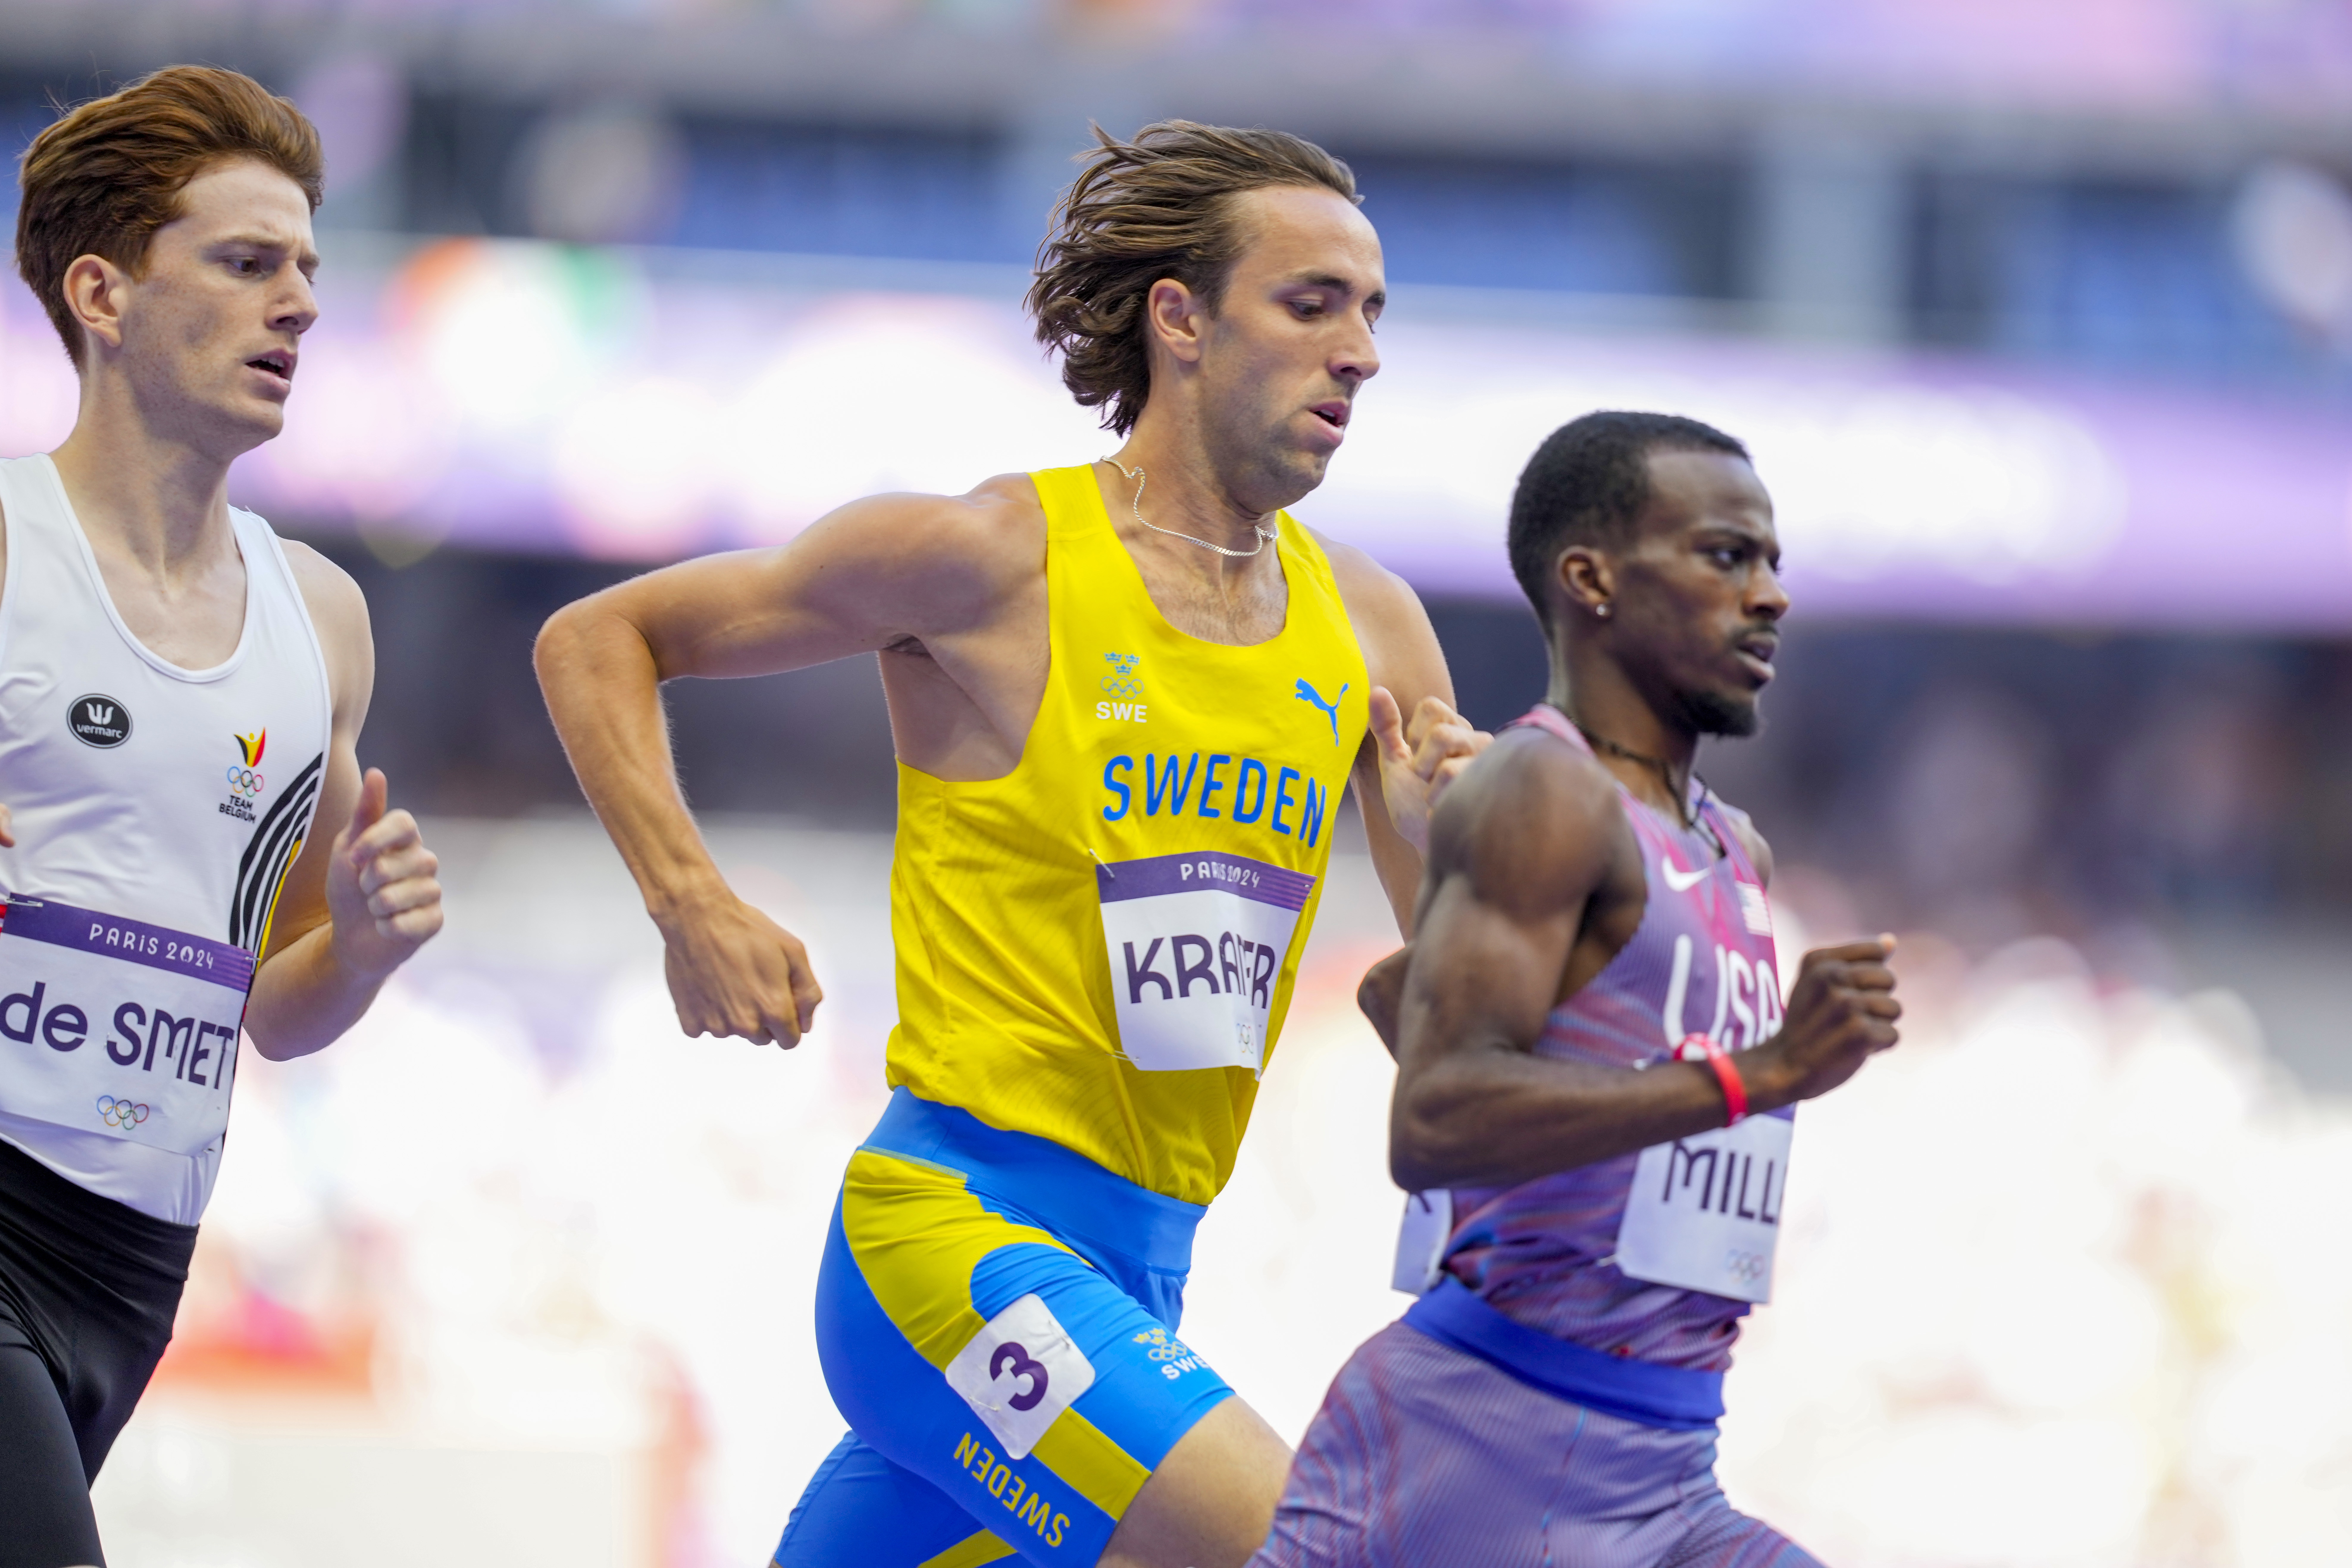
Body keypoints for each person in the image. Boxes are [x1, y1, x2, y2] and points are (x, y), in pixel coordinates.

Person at [535, 121, 1484, 1568]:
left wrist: (1448, 857)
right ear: (1182, 319)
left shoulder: (1371, 628)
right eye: (1313, 304)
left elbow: (1456, 1027)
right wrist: (690, 901)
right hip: (952, 1240)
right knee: (1304, 1550)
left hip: (1142, 1276)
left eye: (1373, 313)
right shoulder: (995, 558)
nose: (1360, 350)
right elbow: (600, 635)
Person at [1249, 412, 1902, 1568]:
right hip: (1478, 1443)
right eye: (1722, 556)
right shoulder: (1547, 793)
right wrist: (1760, 1075)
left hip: (1662, 1457)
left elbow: (1432, 1020)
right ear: (1591, 580)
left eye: (1773, 562)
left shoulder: (1731, 848)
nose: (1769, 596)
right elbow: (1440, 1114)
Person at [0, 68, 444, 1566]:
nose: (301, 304)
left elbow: (279, 1009)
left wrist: (366, 949)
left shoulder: (319, 618)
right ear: (101, 293)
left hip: (133, 1255)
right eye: (249, 263)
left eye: (310, 267)